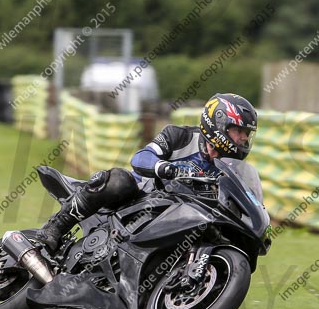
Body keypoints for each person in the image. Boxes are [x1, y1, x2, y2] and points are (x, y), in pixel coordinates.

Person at [35, 93, 258, 251]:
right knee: (120, 180)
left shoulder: (230, 168)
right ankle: (55, 226)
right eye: (239, 131)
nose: (244, 139)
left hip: (180, 218)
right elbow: (140, 158)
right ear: (218, 124)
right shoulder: (180, 136)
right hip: (140, 199)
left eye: (247, 134)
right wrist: (164, 168)